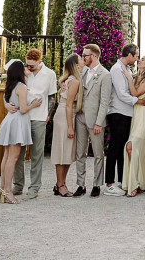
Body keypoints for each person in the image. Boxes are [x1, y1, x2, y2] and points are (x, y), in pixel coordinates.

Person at [10, 48, 57, 200]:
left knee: (37, 154)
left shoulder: (50, 74)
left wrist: (48, 115)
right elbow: (12, 90)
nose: (29, 67)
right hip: (21, 117)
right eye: (27, 64)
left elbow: (52, 97)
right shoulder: (23, 73)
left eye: (32, 65)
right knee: (18, 153)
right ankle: (18, 185)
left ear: (39, 61)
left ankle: (35, 187)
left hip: (39, 118)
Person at [0, 60, 42, 204]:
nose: (27, 68)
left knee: (7, 156)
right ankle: (8, 191)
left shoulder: (11, 85)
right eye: (24, 67)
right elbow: (23, 109)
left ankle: (2, 188)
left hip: (10, 120)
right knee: (13, 157)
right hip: (17, 122)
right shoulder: (21, 86)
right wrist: (34, 105)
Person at [105, 43, 145, 196]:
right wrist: (138, 101)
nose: (137, 59)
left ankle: (121, 181)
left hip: (126, 113)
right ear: (129, 55)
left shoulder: (127, 70)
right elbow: (122, 94)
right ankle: (109, 184)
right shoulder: (117, 70)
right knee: (114, 148)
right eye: (136, 56)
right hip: (118, 113)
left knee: (122, 149)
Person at [73, 44, 112, 197]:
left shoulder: (105, 75)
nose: (83, 57)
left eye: (85, 55)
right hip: (80, 117)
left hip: (95, 119)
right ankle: (80, 184)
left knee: (98, 153)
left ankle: (97, 184)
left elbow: (105, 102)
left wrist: (99, 123)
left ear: (94, 56)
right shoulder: (82, 72)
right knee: (80, 153)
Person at [121, 53, 145, 196]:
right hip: (134, 115)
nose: (139, 61)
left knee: (131, 146)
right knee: (137, 150)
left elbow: (135, 94)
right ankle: (139, 182)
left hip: (143, 116)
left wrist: (129, 78)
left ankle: (135, 184)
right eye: (139, 59)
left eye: (142, 60)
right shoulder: (136, 76)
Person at [50, 53, 84, 197]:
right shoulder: (74, 81)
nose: (83, 60)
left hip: (66, 114)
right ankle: (60, 185)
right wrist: (70, 127)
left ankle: (61, 183)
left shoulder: (68, 80)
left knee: (67, 151)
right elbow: (69, 105)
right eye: (80, 59)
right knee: (63, 150)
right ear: (75, 65)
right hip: (65, 116)